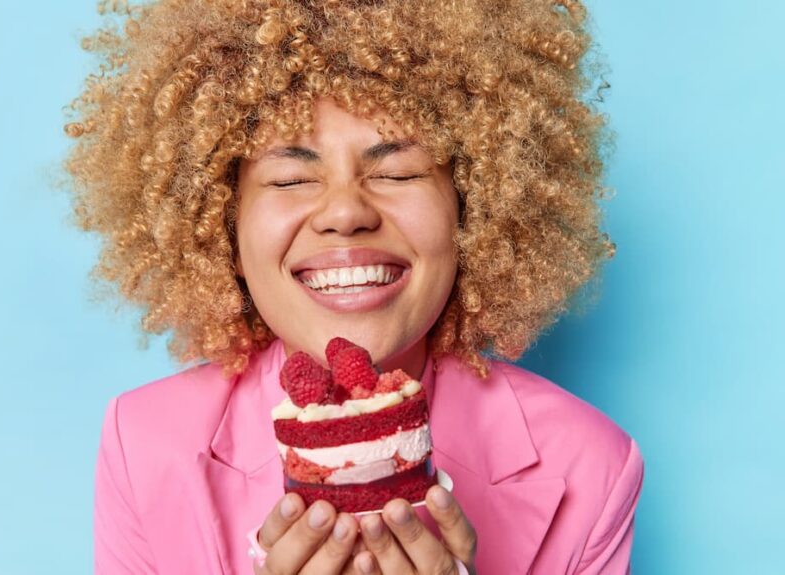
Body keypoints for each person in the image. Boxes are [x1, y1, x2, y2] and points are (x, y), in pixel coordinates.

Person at [64, 0, 644, 573]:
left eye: (398, 172)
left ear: (474, 208)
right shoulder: (144, 444)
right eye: (290, 177)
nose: (345, 212)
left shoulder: (593, 465)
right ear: (222, 224)